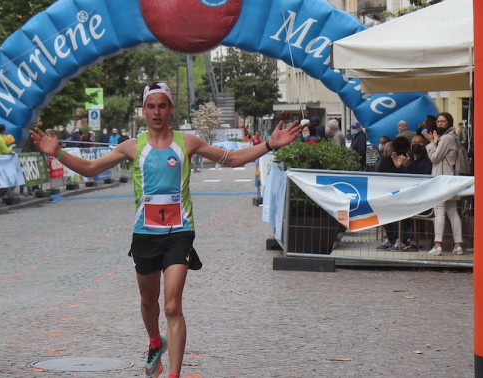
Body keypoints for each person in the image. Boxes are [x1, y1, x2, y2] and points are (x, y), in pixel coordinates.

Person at [29, 81, 301, 378]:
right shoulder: (132, 147)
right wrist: (58, 153)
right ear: (144, 111)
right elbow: (92, 169)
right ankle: (155, 342)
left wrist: (270, 145)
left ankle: (174, 375)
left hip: (179, 232)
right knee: (149, 302)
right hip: (145, 234)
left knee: (172, 305)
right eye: (151, 106)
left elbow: (233, 159)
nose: (157, 112)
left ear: (171, 109)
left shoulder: (188, 142)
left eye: (162, 106)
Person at [423, 111, 465, 256]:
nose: (439, 124)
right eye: (438, 121)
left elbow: (435, 157)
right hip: (450, 179)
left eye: (443, 121)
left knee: (439, 211)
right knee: (452, 212)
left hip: (442, 179)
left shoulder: (446, 138)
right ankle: (458, 245)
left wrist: (431, 143)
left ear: (449, 123)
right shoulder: (453, 137)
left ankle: (438, 245)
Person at [375, 137, 412, 251]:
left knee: (390, 215)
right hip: (401, 196)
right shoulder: (408, 159)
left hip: (396, 196)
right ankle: (397, 239)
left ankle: (397, 239)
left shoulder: (406, 160)